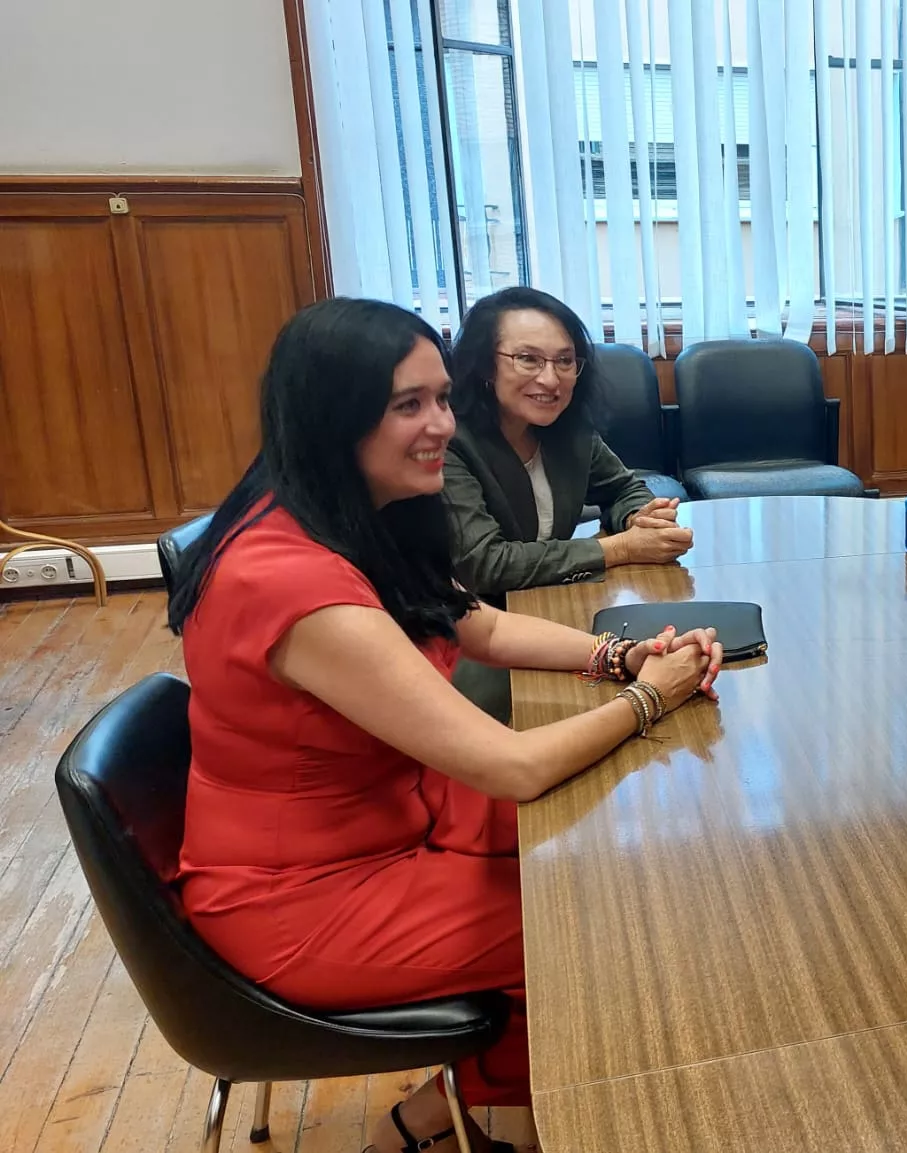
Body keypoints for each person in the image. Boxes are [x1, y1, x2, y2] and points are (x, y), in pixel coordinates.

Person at [169, 298, 724, 1153]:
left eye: (441, 399)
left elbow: (485, 627)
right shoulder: (289, 581)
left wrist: (621, 654)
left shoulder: (354, 513)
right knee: (590, 928)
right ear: (332, 417)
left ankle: (450, 1113)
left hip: (387, 822)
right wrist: (650, 695)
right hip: (302, 896)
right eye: (407, 406)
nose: (440, 426)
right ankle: (519, 1120)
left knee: (611, 859)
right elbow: (511, 766)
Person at [444, 286, 694, 601]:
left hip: (553, 598)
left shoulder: (568, 429)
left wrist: (641, 518)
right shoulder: (449, 442)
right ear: (484, 366)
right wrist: (622, 547)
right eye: (528, 359)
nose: (550, 379)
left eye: (564, 360)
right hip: (474, 623)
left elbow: (623, 489)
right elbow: (485, 564)